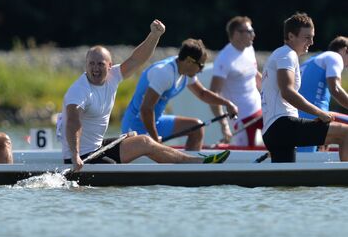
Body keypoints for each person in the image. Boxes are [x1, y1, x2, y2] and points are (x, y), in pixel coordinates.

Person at [57, 20, 231, 173]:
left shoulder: (113, 76)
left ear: (109, 66)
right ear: (86, 64)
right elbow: (73, 123)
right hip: (81, 157)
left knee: (145, 141)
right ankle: (194, 163)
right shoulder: (79, 91)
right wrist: (74, 155)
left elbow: (136, 59)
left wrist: (154, 35)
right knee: (129, 159)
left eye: (100, 64)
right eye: (91, 64)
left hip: (97, 148)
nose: (95, 68)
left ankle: (194, 163)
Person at [121, 38, 238, 150]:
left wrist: (227, 104)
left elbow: (202, 94)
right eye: (201, 65)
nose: (201, 70)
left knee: (197, 127)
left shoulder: (185, 71)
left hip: (156, 121)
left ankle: (190, 165)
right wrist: (155, 139)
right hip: (136, 125)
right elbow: (146, 109)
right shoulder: (164, 73)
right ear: (188, 61)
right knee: (159, 150)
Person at [260, 12, 348, 162]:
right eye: (307, 37)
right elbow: (287, 92)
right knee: (346, 133)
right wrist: (320, 113)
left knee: (286, 184)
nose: (312, 42)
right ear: (291, 36)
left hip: (274, 130)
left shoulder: (280, 54)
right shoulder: (287, 54)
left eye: (312, 37)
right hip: (282, 125)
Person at [210, 16, 263, 146]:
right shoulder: (224, 59)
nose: (253, 35)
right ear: (236, 34)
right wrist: (224, 125)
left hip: (259, 110)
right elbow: (213, 94)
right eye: (249, 32)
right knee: (247, 161)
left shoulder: (249, 48)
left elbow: (254, 73)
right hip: (241, 119)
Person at [297, 36, 348, 152]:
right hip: (314, 120)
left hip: (299, 121)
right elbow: (335, 89)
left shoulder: (310, 61)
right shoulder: (334, 57)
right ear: (345, 50)